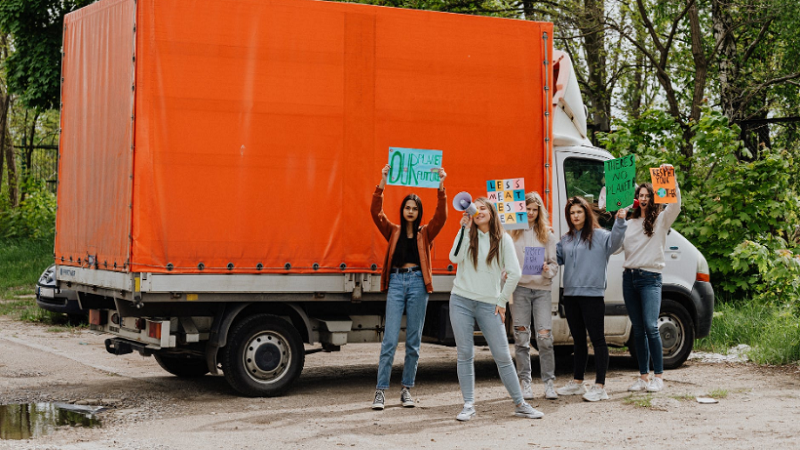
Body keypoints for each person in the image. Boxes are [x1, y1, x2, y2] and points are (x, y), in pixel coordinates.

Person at [448, 197, 544, 421]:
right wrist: (463, 228)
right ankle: (469, 404)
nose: (478, 211)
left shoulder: (502, 240)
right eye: (476, 209)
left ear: (491, 213)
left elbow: (515, 273)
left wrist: (501, 302)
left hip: (489, 304)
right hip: (460, 299)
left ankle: (520, 404)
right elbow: (454, 257)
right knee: (465, 354)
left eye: (483, 208)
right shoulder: (467, 234)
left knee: (502, 355)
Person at [370, 164, 448, 410]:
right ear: (402, 210)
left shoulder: (426, 234)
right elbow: (376, 212)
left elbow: (441, 216)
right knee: (390, 340)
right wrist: (382, 182)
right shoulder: (393, 231)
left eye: (415, 208)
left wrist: (441, 186)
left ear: (419, 212)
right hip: (396, 282)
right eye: (407, 207)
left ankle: (406, 389)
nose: (410, 211)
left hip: (418, 284)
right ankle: (380, 391)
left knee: (413, 341)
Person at [555, 196, 627, 402]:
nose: (575, 216)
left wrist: (620, 221)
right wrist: (547, 242)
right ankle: (578, 383)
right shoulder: (566, 239)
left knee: (597, 339)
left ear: (586, 213)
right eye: (571, 213)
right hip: (570, 295)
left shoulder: (601, 236)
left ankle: (600, 386)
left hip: (592, 295)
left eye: (579, 211)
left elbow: (616, 243)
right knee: (577, 340)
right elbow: (557, 258)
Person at [619, 165, 682, 393]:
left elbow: (675, 206)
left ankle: (658, 376)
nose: (643, 198)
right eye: (640, 196)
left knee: (651, 326)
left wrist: (670, 181)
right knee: (637, 329)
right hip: (630, 278)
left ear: (652, 199)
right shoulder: (628, 224)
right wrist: (618, 219)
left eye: (647, 195)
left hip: (650, 279)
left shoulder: (660, 221)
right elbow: (615, 249)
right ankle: (643, 376)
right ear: (636, 199)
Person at [508, 192, 559, 400]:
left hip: (541, 291)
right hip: (519, 289)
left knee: (545, 338)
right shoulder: (511, 234)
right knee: (521, 338)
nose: (530, 212)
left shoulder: (547, 235)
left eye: (534, 209)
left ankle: (548, 382)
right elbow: (504, 259)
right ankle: (525, 382)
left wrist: (547, 269)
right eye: (527, 208)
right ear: (521, 210)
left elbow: (555, 265)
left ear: (539, 212)